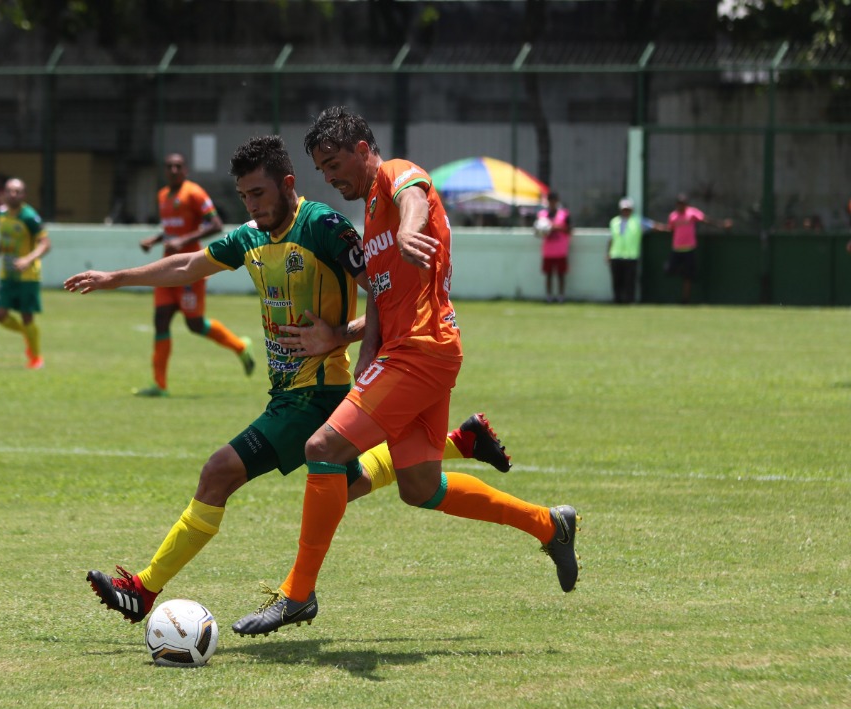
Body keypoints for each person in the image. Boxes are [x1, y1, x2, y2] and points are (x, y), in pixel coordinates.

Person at [65, 135, 512, 624]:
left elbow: (383, 297)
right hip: (290, 394)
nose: (253, 206)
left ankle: (145, 589)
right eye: (244, 196)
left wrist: (337, 337)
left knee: (220, 472)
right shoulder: (251, 237)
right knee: (354, 482)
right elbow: (191, 263)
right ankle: (458, 441)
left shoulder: (324, 227)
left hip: (315, 395)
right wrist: (117, 278)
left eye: (259, 194)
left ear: (288, 184)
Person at [230, 107, 580, 637]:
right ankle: (548, 524)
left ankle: (296, 595)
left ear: (362, 149)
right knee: (419, 487)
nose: (329, 177)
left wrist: (413, 232)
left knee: (322, 450)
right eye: (321, 170)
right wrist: (355, 345)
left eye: (333, 164)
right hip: (412, 352)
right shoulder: (370, 215)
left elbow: (413, 198)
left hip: (419, 351)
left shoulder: (394, 173)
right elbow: (381, 300)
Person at [133, 152, 255, 397]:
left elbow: (216, 224)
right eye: (169, 166)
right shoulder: (163, 196)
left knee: (195, 324)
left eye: (178, 166)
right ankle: (159, 385)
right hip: (166, 270)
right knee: (161, 320)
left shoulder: (194, 193)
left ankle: (240, 346)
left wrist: (183, 241)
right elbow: (170, 230)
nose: (173, 170)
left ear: (185, 170)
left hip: (190, 269)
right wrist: (155, 239)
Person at [0, 177, 51, 370]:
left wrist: (27, 260)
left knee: (27, 317)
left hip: (27, 276)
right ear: (4, 193)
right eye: (10, 190)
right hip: (7, 274)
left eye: (18, 191)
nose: (13, 194)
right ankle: (27, 335)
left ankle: (36, 359)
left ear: (24, 195)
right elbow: (3, 238)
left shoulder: (29, 217)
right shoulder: (2, 214)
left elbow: (46, 244)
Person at [660, 193, 731, 304]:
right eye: (679, 204)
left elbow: (706, 220)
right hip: (677, 249)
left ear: (686, 204)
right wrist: (658, 228)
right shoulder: (673, 216)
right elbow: (670, 228)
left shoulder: (692, 213)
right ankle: (682, 270)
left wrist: (721, 224)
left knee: (688, 277)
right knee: (669, 270)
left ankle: (685, 300)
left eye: (683, 204)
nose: (681, 206)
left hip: (689, 249)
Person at [605, 198, 654, 305]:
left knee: (629, 281)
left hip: (631, 256)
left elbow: (652, 226)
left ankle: (629, 301)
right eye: (624, 209)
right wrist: (608, 253)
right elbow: (611, 239)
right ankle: (617, 301)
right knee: (617, 280)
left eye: (628, 209)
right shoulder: (614, 221)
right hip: (616, 255)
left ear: (631, 210)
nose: (626, 212)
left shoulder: (637, 220)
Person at [536, 191, 571, 302]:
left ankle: (561, 296)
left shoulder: (564, 214)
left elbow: (570, 230)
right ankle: (549, 296)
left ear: (557, 201)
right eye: (550, 201)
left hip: (561, 250)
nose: (552, 203)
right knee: (548, 275)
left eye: (554, 201)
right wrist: (544, 230)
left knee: (561, 274)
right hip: (548, 250)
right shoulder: (542, 215)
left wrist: (555, 227)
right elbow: (537, 231)